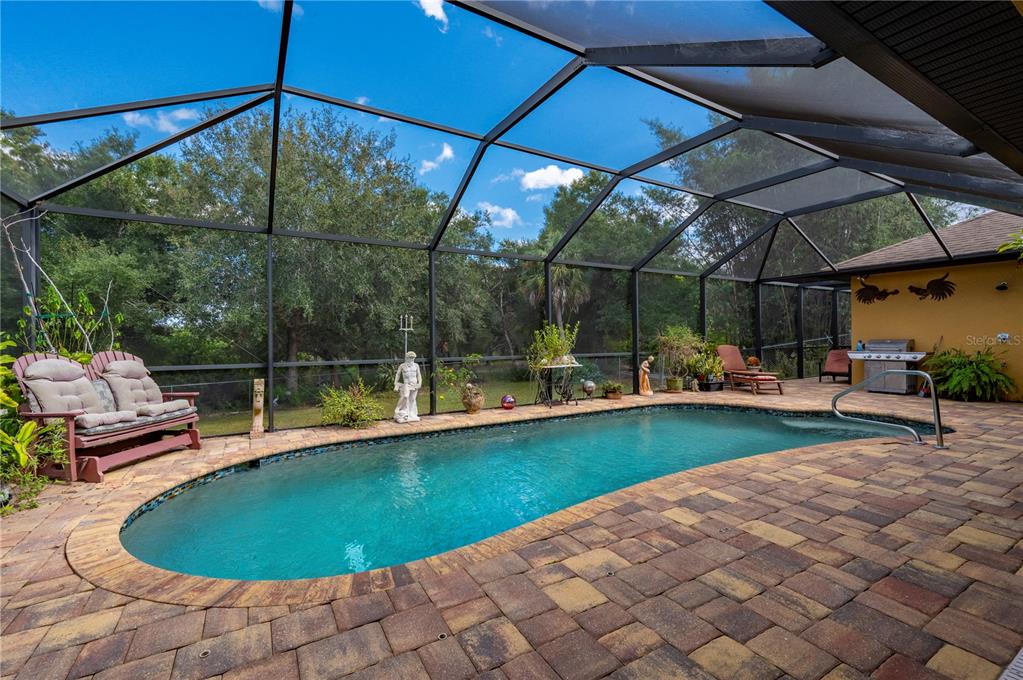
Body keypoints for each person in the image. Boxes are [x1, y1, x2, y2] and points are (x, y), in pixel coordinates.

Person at [394, 351, 422, 423]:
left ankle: (411, 414)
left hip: (414, 384)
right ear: (407, 358)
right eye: (410, 357)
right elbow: (398, 374)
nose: (412, 359)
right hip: (407, 384)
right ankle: (398, 409)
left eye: (413, 358)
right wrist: (395, 383)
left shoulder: (416, 365)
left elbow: (419, 375)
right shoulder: (402, 365)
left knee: (412, 399)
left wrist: (420, 383)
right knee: (405, 396)